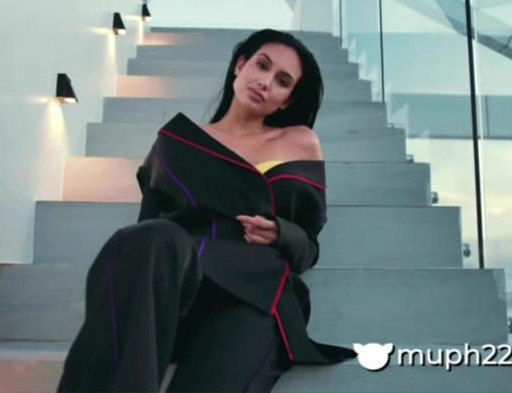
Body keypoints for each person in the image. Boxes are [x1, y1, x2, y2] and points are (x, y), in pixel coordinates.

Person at [56, 28, 356, 393]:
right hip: (180, 289)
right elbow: (145, 237)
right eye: (262, 65)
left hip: (252, 292)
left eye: (282, 81)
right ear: (240, 65)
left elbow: (309, 243)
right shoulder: (176, 142)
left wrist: (281, 232)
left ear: (286, 101)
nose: (265, 82)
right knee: (149, 237)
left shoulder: (299, 142)